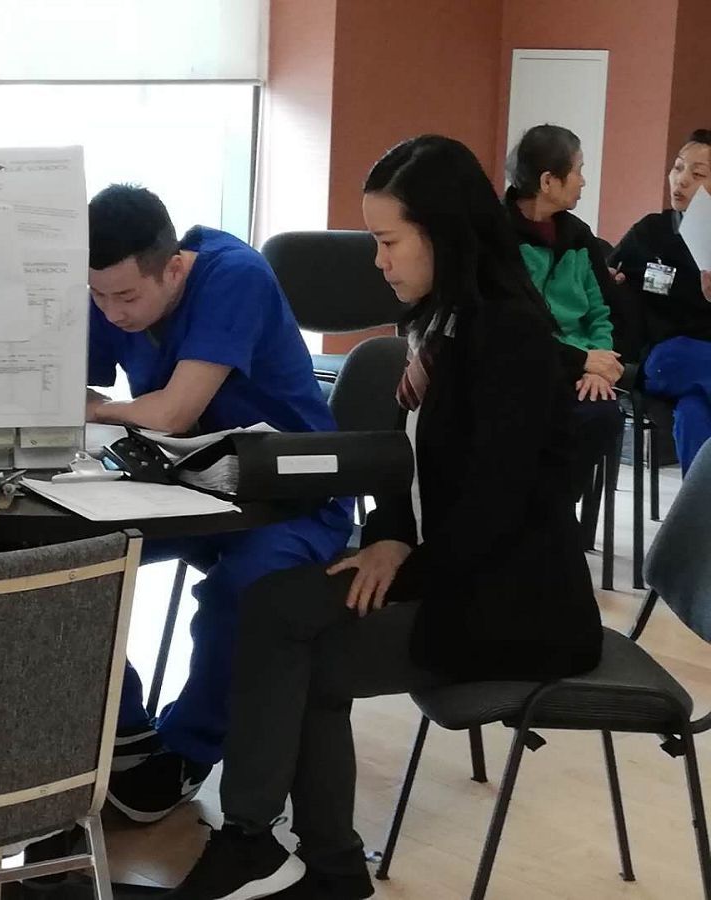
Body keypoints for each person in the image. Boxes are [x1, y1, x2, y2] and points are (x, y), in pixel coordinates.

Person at [170, 137, 604, 900]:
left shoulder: (504, 339)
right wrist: (391, 533)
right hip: (457, 567)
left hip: (514, 602)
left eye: (389, 241)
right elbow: (410, 467)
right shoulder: (446, 325)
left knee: (301, 641)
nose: (378, 262)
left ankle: (277, 850)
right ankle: (298, 856)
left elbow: (495, 513)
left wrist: (403, 559)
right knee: (271, 607)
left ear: (444, 234)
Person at [85, 185, 354, 823]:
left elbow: (175, 412)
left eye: (126, 297)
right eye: (97, 295)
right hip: (188, 486)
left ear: (175, 268)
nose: (112, 312)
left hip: (291, 495)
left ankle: (187, 750)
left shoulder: (235, 276)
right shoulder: (111, 287)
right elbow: (72, 380)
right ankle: (126, 729)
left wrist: (99, 411)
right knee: (79, 562)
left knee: (243, 593)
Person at [504, 124, 626, 503]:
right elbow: (513, 330)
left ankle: (552, 510)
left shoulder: (579, 237)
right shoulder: (497, 238)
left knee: (602, 415)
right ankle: (540, 512)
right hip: (525, 365)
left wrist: (598, 363)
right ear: (548, 182)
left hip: (581, 365)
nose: (583, 181)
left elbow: (603, 310)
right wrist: (582, 361)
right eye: (578, 170)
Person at [610, 129, 711, 475]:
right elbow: (604, 276)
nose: (681, 180)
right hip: (662, 357)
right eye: (678, 168)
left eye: (697, 174)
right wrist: (610, 280)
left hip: (702, 367)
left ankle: (697, 508)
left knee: (694, 413)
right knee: (678, 361)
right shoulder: (650, 232)